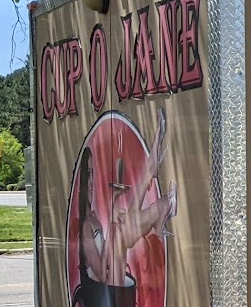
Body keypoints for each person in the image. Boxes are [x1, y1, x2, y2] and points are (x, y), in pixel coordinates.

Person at [76, 106, 177, 286]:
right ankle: (159, 204)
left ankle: (157, 196)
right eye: (88, 174)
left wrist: (114, 205)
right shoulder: (85, 227)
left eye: (92, 173)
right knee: (119, 232)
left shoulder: (93, 218)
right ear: (83, 181)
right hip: (109, 287)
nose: (91, 181)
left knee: (124, 222)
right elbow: (102, 274)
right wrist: (112, 230)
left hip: (116, 279)